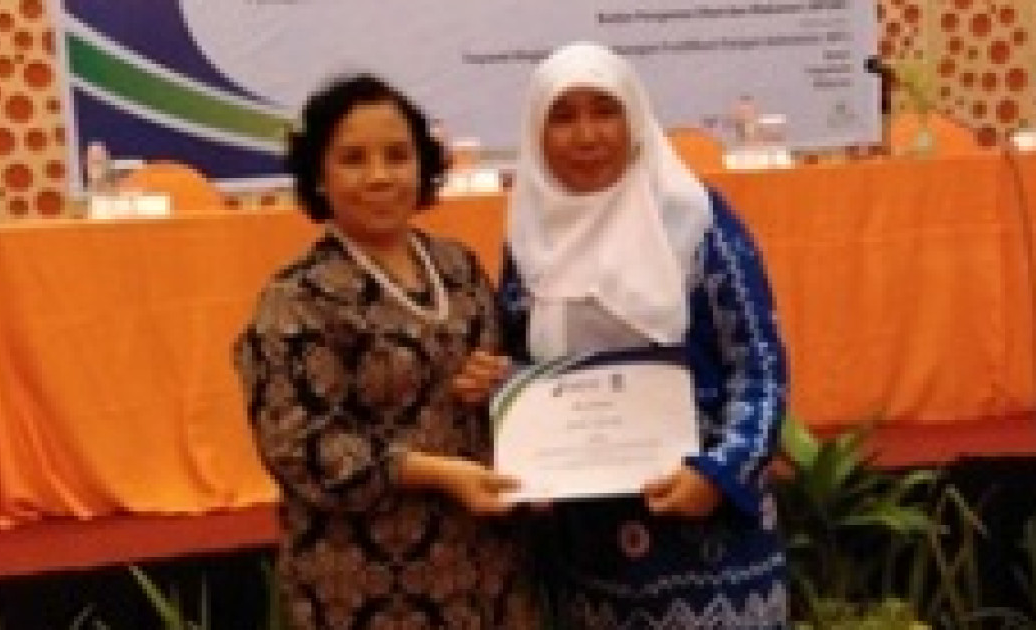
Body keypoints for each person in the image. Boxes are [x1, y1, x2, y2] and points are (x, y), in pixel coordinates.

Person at [499, 42, 790, 628]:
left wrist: (721, 472)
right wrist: (505, 399)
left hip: (708, 543)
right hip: (589, 548)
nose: (587, 136)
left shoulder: (695, 218)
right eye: (563, 117)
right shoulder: (530, 239)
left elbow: (758, 364)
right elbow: (521, 366)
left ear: (634, 116)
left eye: (605, 111)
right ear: (536, 133)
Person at [233, 75, 537, 629]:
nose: (380, 176)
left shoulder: (459, 267)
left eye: (398, 155)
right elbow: (300, 447)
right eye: (353, 159)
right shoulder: (296, 300)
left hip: (484, 571)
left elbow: (501, 377)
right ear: (319, 176)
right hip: (363, 584)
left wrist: (497, 381)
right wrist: (433, 473)